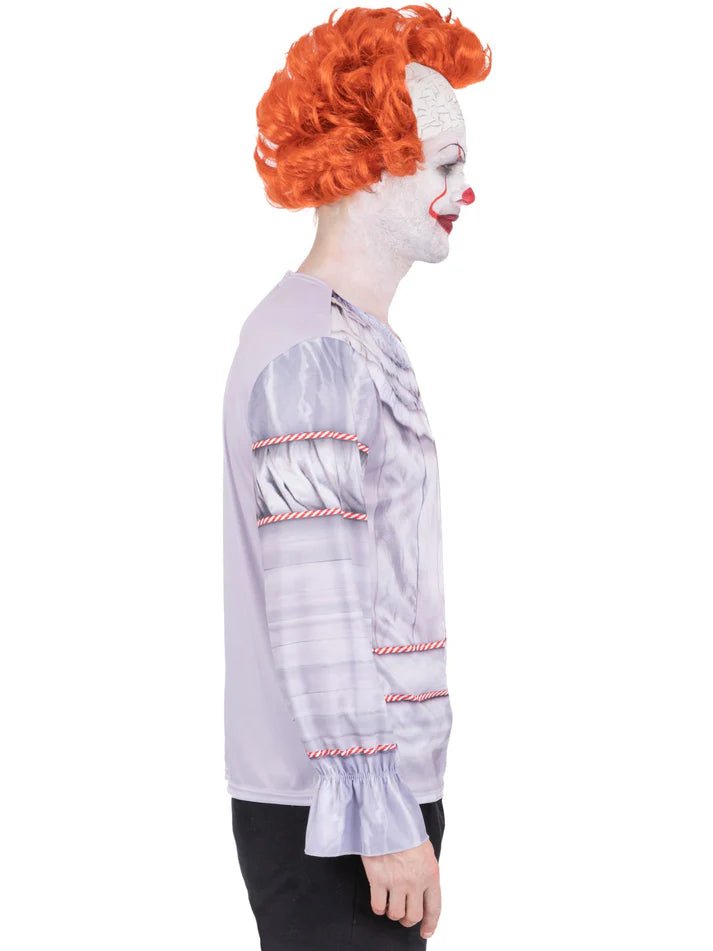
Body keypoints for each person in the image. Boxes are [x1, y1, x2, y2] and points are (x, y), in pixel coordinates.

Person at [222, 5, 491, 948]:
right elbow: (318, 609)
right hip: (335, 817)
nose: (464, 191)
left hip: (362, 802)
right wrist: (383, 820)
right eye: (444, 165)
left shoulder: (346, 337)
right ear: (369, 163)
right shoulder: (313, 353)